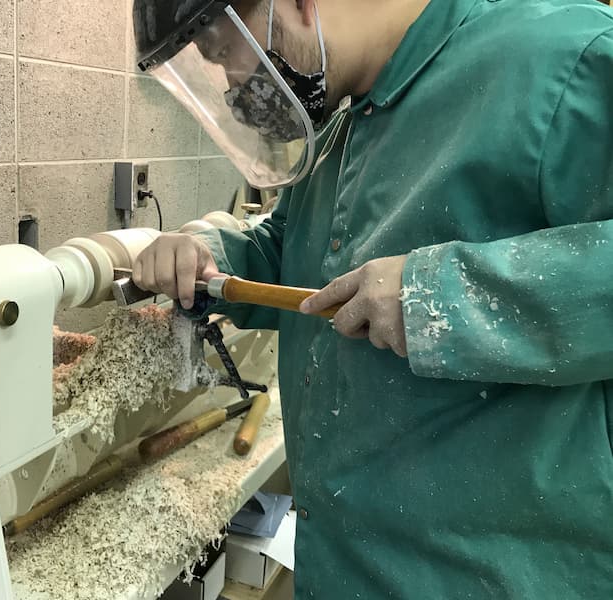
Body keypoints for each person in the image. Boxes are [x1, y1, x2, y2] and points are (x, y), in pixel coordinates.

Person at [131, 0, 613, 597]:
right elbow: (296, 254)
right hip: (343, 568)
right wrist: (206, 256)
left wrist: (444, 297)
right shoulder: (340, 127)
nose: (233, 85)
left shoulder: (562, 57)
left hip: (493, 575)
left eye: (225, 52)